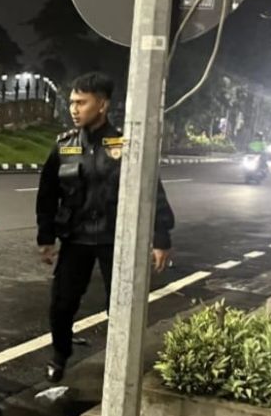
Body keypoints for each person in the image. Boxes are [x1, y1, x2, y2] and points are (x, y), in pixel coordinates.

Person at [35, 72, 176, 383]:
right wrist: (46, 237)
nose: (74, 109)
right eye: (72, 102)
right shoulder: (65, 146)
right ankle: (59, 355)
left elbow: (150, 189)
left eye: (81, 103)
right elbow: (47, 194)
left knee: (122, 307)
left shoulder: (125, 145)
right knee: (61, 304)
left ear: (102, 104)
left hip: (117, 240)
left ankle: (121, 364)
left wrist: (161, 236)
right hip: (76, 239)